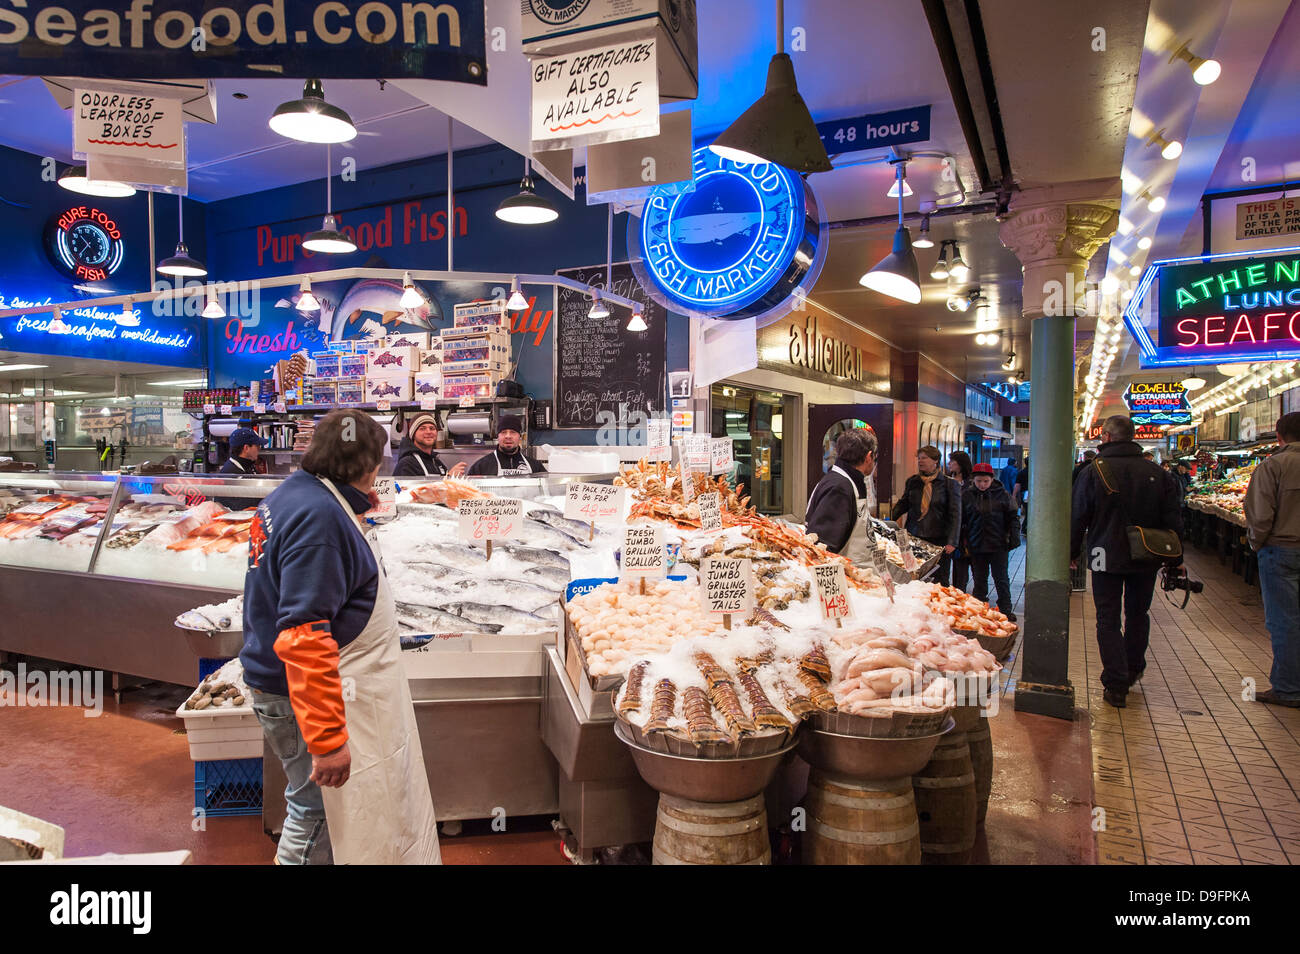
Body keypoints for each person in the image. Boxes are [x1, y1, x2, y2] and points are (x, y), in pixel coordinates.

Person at [241, 409, 440, 864]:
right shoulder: (320, 520)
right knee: (316, 812)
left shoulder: (294, 494)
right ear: (364, 465)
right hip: (298, 693)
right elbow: (304, 635)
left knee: (324, 813)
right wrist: (327, 741)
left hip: (286, 682)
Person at [1071, 414, 1183, 709]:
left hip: (1104, 554)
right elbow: (1173, 518)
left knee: (1107, 618)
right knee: (1138, 613)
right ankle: (1133, 669)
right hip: (1146, 554)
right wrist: (1176, 559)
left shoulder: (1093, 471)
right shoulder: (1158, 473)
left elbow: (1078, 516)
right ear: (1132, 436)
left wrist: (1070, 553)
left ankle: (1116, 683)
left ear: (1106, 437)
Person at [1243, 412, 1300, 708]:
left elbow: (1260, 514)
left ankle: (1289, 688)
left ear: (1279, 436)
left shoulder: (1273, 465)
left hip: (1282, 550)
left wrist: (1256, 543)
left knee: (1285, 620)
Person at [804, 428, 879, 561]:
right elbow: (822, 548)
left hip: (859, 573)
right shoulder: (839, 487)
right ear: (868, 457)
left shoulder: (848, 481)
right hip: (846, 575)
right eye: (874, 458)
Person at [893, 445, 961, 586]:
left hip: (938, 540)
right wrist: (886, 520)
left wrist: (952, 541)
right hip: (914, 536)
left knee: (939, 581)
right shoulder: (913, 482)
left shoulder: (950, 484)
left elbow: (956, 514)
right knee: (913, 577)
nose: (920, 461)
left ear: (935, 460)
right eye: (919, 458)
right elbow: (903, 504)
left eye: (924, 458)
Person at [961, 462, 1020, 620]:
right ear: (973, 480)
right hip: (976, 544)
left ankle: (1006, 609)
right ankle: (979, 609)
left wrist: (1013, 538)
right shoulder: (967, 496)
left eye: (985, 481)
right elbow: (962, 521)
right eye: (979, 481)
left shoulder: (1002, 495)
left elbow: (1013, 518)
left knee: (1001, 578)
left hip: (998, 544)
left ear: (992, 479)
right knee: (979, 578)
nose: (982, 485)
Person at [467, 414, 547, 476]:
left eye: (513, 432)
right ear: (498, 436)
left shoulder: (535, 466)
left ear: (520, 436)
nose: (508, 436)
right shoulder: (481, 466)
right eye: (503, 432)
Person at [393, 412, 467, 478]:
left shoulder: (437, 463)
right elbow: (409, 491)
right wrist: (449, 477)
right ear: (413, 434)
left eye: (432, 428)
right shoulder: (407, 463)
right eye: (422, 429)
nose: (428, 432)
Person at [947, 451, 974, 591]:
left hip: (968, 530)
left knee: (970, 564)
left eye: (953, 461)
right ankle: (958, 590)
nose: (949, 464)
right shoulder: (948, 481)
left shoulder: (970, 483)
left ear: (961, 464)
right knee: (958, 565)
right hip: (953, 530)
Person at [1014, 456, 1030, 534]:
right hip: (1031, 494)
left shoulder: (1021, 472)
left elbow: (1017, 485)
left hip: (1025, 494)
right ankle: (1024, 527)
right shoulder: (1036, 472)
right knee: (1029, 512)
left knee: (1027, 511)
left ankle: (1024, 527)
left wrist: (1014, 495)